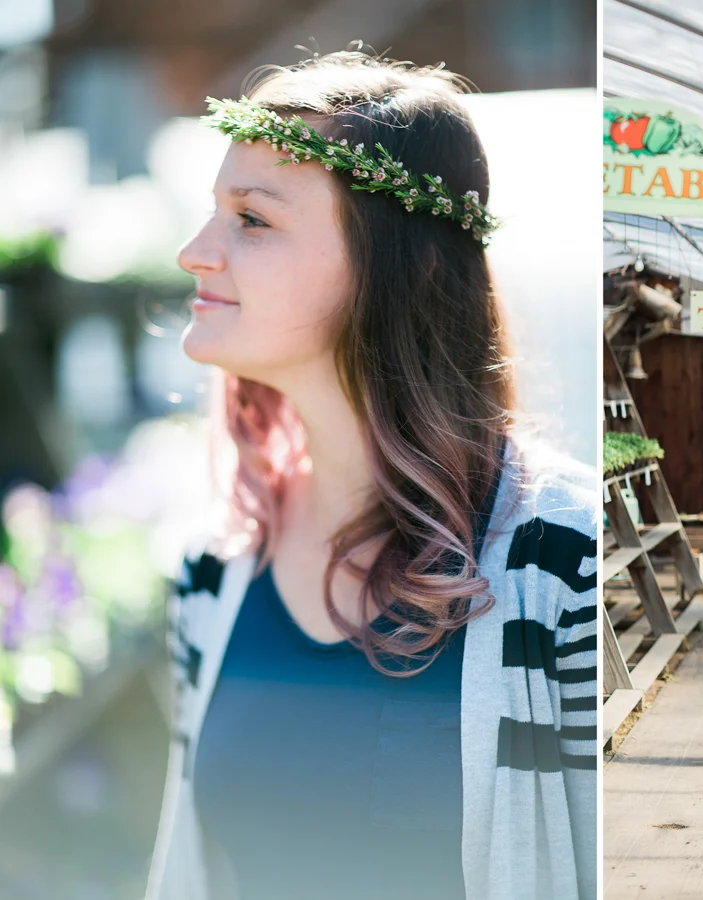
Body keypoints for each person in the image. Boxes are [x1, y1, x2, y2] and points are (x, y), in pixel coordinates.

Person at [145, 52, 597, 900]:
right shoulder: (211, 572)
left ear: (400, 265)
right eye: (214, 212)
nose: (194, 252)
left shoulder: (563, 562)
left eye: (252, 219)